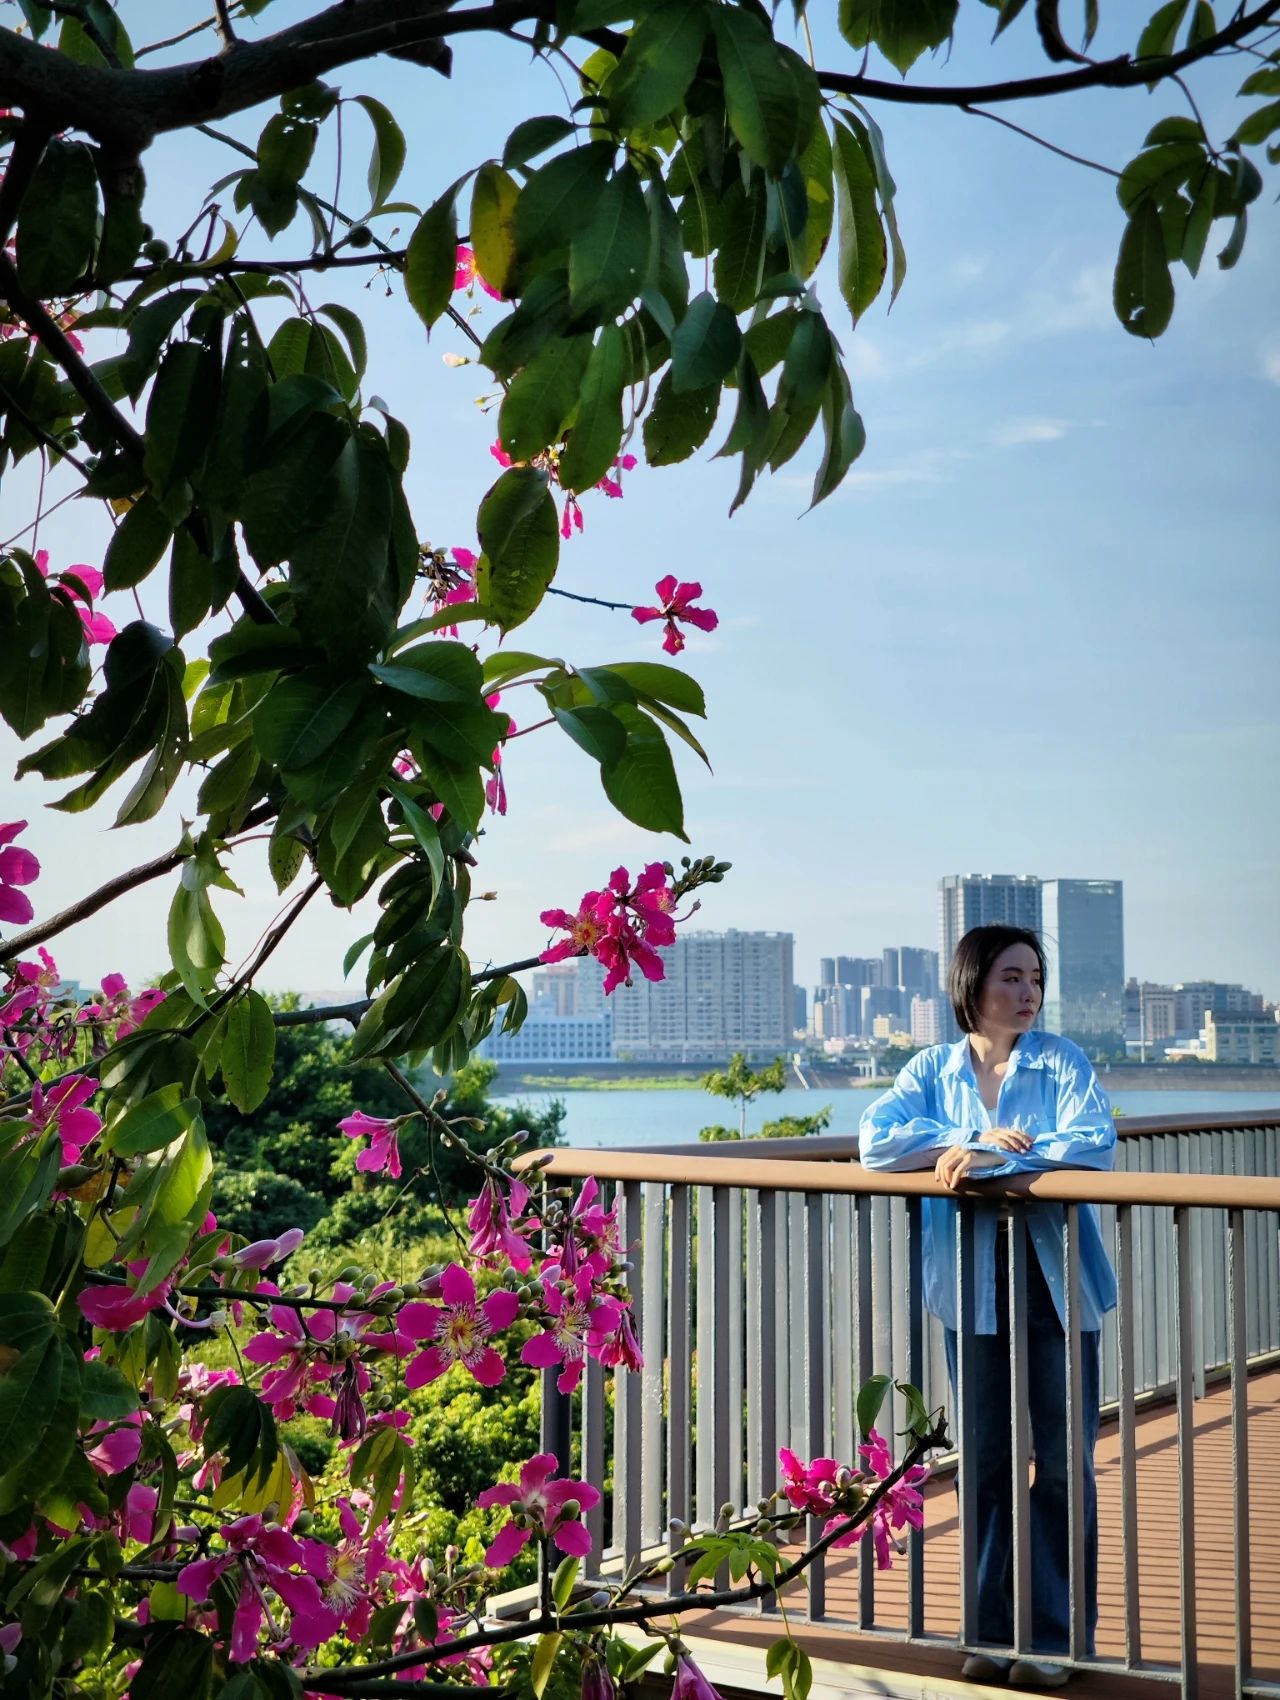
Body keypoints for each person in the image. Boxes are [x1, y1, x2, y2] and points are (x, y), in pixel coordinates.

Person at [858, 925, 1117, 1690]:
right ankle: (992, 1633)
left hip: (1057, 1286)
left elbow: (1093, 1141)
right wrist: (967, 1136)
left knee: (1064, 1466)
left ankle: (1057, 1639)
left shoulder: (1062, 1060)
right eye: (1011, 977)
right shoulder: (931, 1069)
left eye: (1036, 978)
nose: (1028, 992)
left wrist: (998, 1158)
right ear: (972, 984)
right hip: (971, 1292)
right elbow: (877, 1142)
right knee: (988, 1464)